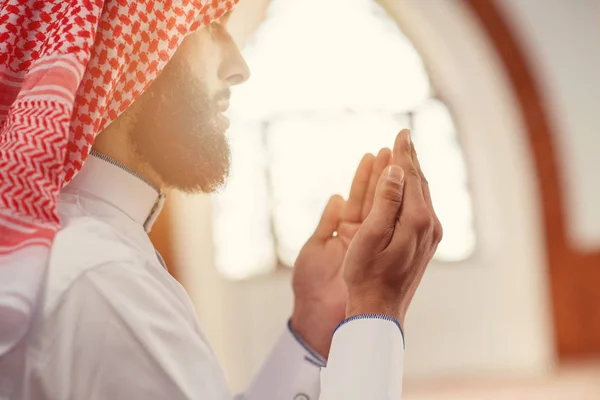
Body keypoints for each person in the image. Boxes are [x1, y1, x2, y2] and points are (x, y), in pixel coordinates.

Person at [0, 1, 442, 399]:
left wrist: (313, 327)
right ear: (132, 46)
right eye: (213, 26)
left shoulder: (88, 248)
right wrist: (376, 313)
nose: (238, 67)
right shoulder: (100, 278)